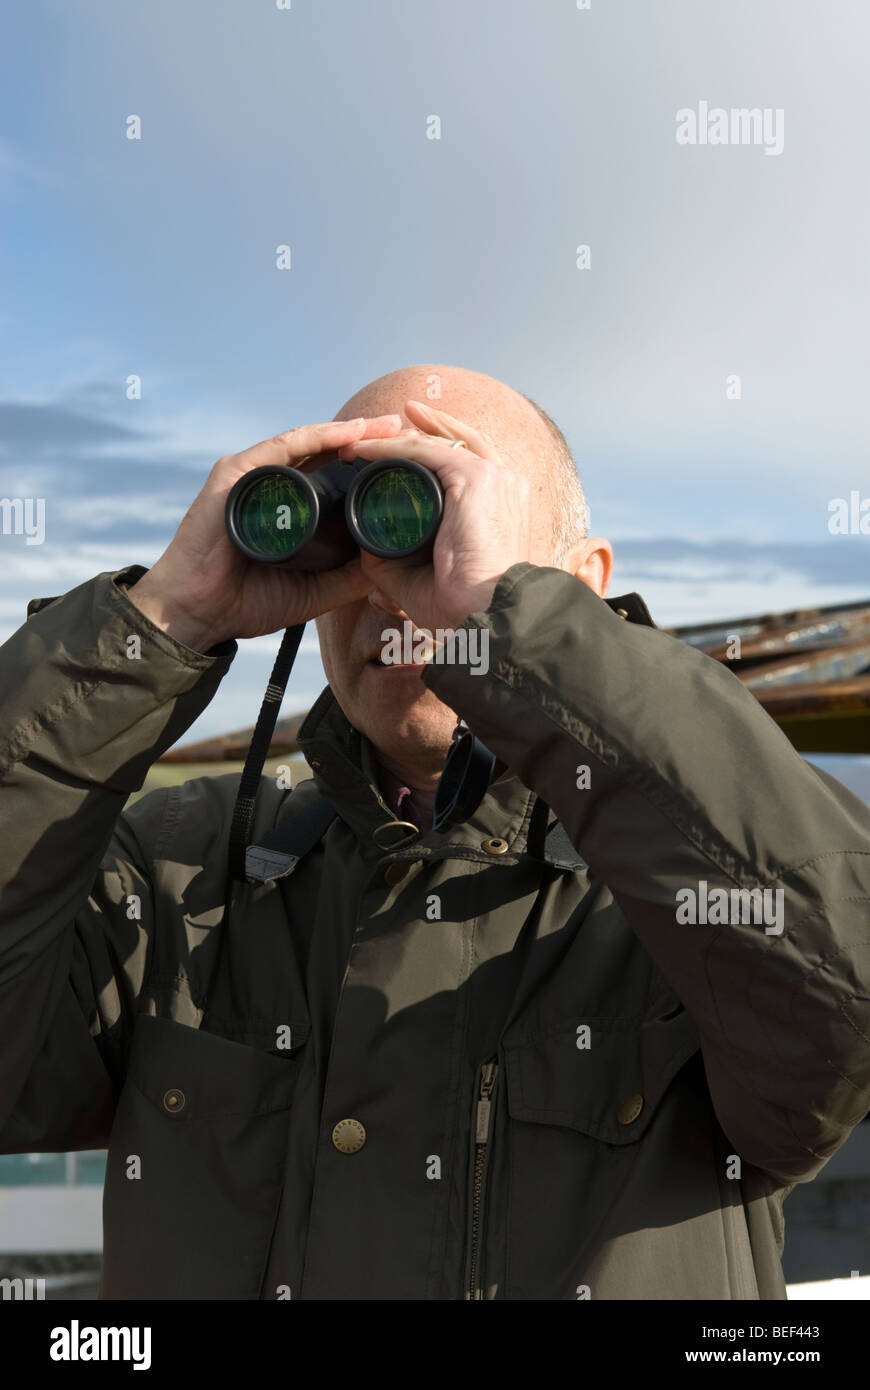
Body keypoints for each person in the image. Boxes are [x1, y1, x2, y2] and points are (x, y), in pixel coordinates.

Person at [1, 363, 868, 1301]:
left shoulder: (678, 887)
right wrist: (159, 616)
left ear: (583, 582)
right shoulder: (182, 868)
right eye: (353, 527)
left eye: (444, 510)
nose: (390, 587)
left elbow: (844, 999)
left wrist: (510, 624)